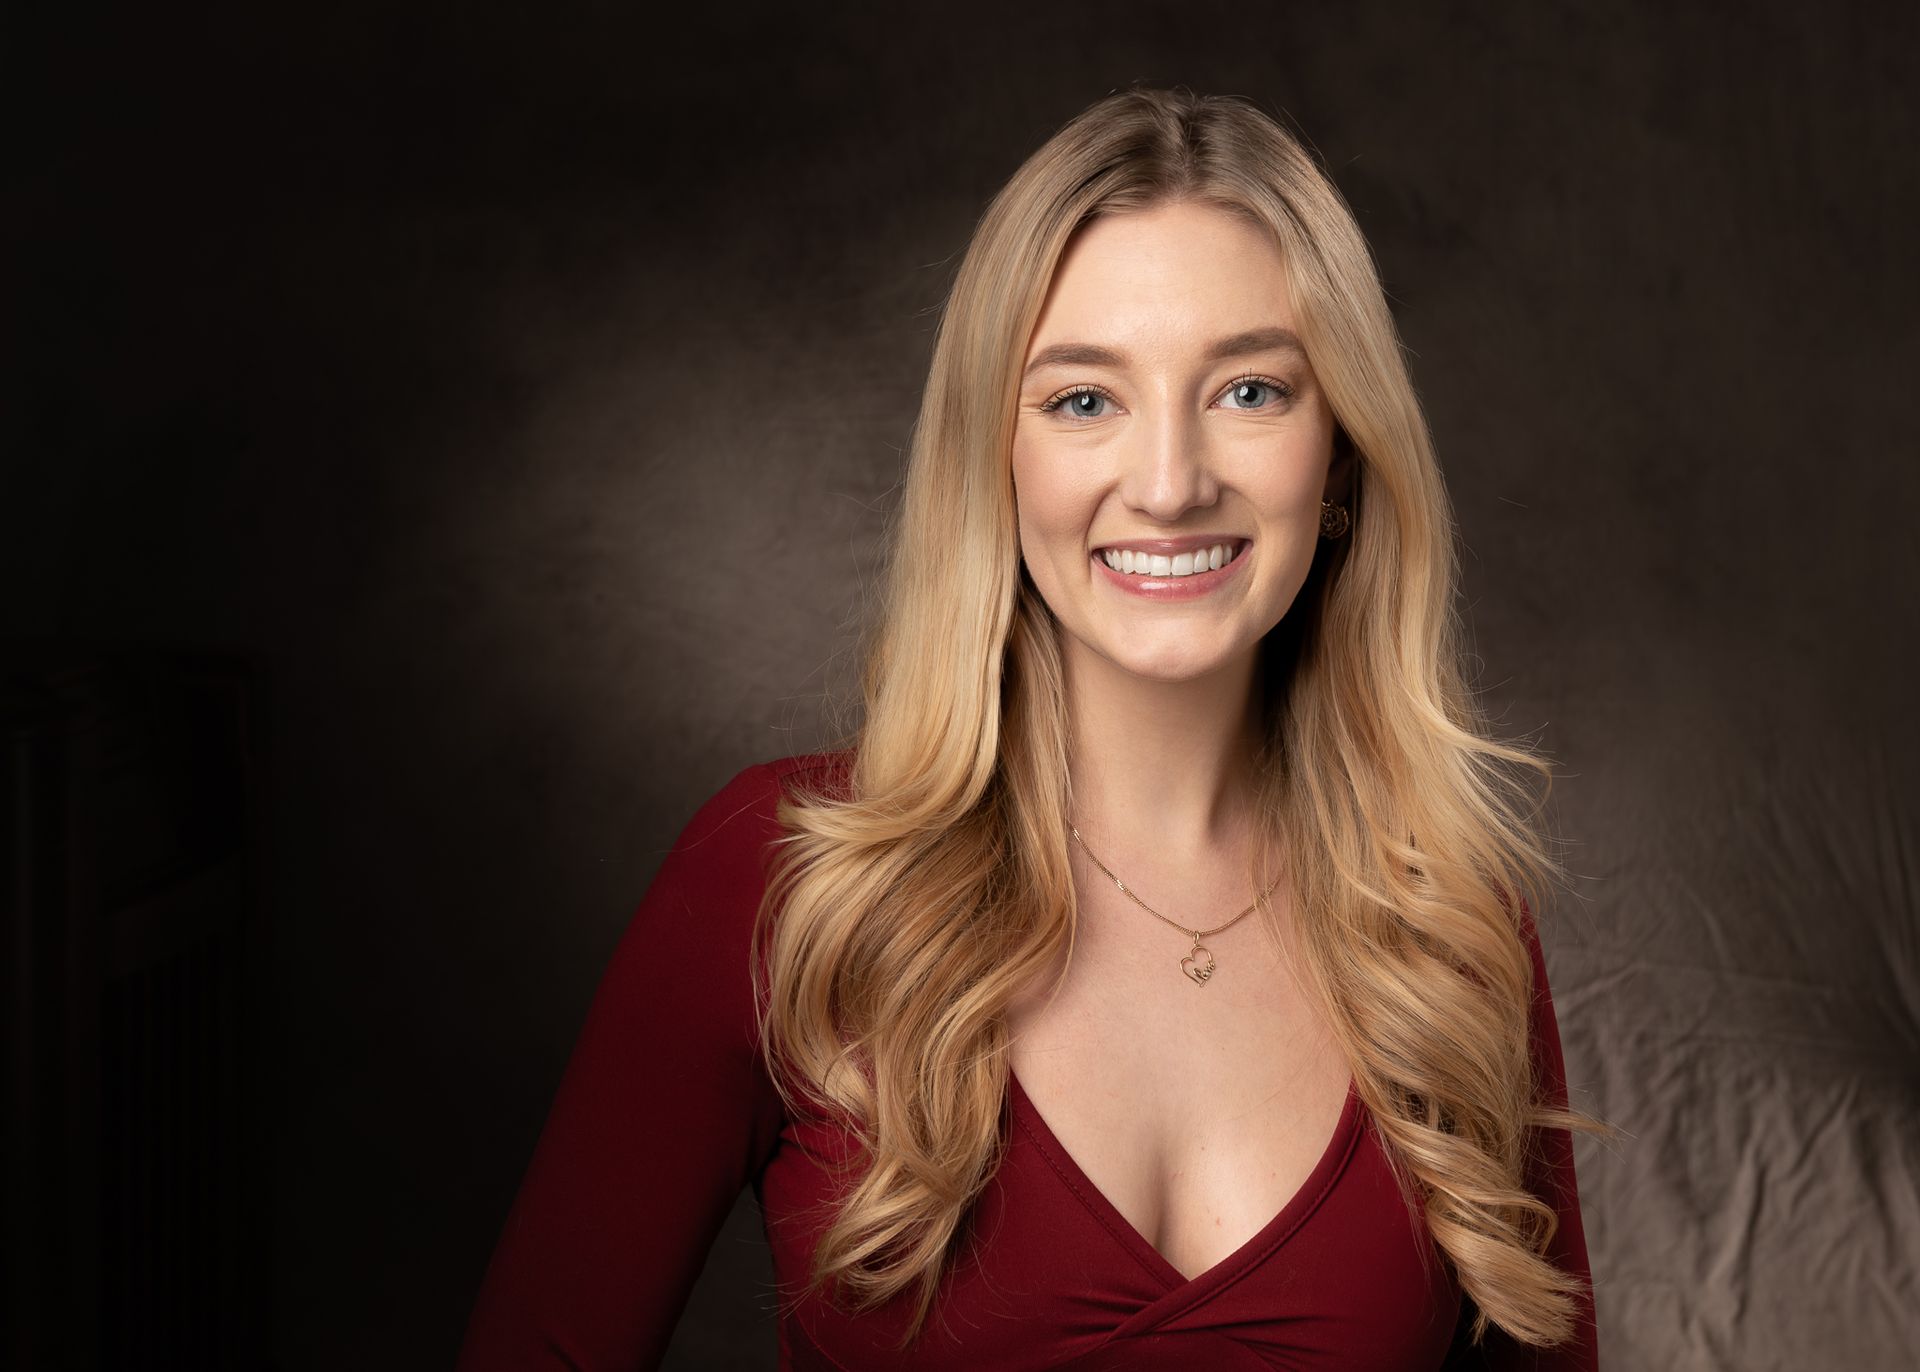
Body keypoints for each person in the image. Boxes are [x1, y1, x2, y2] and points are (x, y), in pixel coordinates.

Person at [456, 85, 1604, 1370]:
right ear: (991, 462)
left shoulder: (1450, 917)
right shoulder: (780, 885)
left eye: (1249, 390)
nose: (1169, 484)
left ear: (1339, 457)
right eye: (1081, 401)